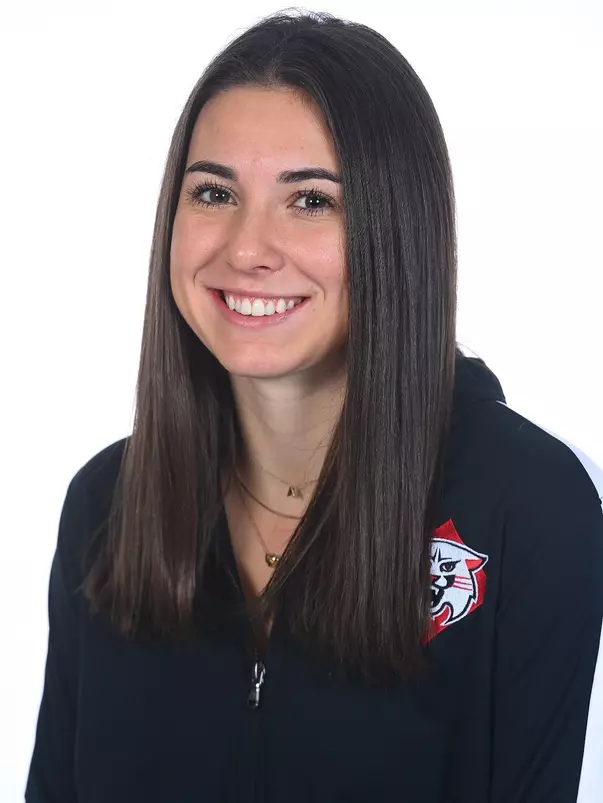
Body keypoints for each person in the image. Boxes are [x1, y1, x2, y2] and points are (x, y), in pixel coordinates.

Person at [25, 9, 603, 803]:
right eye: (214, 192)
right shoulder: (105, 505)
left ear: (396, 230)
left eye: (309, 201)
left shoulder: (528, 507)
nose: (246, 248)